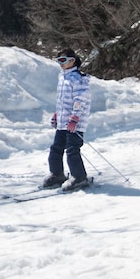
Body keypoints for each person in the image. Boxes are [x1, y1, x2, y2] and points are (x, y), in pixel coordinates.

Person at [42, 48, 93, 191]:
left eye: (63, 60)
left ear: (72, 60)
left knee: (72, 150)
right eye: (58, 61)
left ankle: (79, 177)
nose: (60, 63)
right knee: (56, 148)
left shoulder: (78, 78)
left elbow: (80, 99)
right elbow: (62, 101)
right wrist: (57, 114)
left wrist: (75, 117)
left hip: (75, 123)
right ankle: (57, 174)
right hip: (63, 122)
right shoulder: (63, 78)